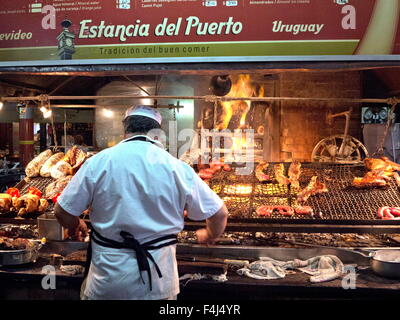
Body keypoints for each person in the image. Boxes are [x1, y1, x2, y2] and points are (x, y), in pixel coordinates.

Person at [54, 105, 228, 300]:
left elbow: (62, 211)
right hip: (158, 283)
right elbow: (219, 214)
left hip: (108, 281)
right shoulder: (177, 167)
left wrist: (76, 224)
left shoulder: (97, 162)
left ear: (125, 130)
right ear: (157, 134)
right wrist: (209, 234)